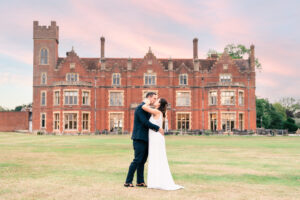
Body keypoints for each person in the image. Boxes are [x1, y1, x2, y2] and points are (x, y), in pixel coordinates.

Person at [142, 97, 184, 190]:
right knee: (156, 158)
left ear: (159, 104)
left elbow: (144, 107)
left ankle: (157, 182)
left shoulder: (157, 112)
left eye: (157, 100)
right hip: (156, 138)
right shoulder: (160, 113)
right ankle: (156, 181)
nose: (155, 101)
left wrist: (147, 102)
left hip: (156, 138)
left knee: (156, 158)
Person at [124, 92, 164, 187]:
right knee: (137, 160)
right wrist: (158, 128)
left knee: (142, 161)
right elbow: (145, 122)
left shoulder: (148, 109)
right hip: (139, 138)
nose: (155, 100)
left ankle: (140, 181)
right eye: (154, 98)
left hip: (147, 139)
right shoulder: (140, 108)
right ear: (149, 98)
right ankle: (128, 181)